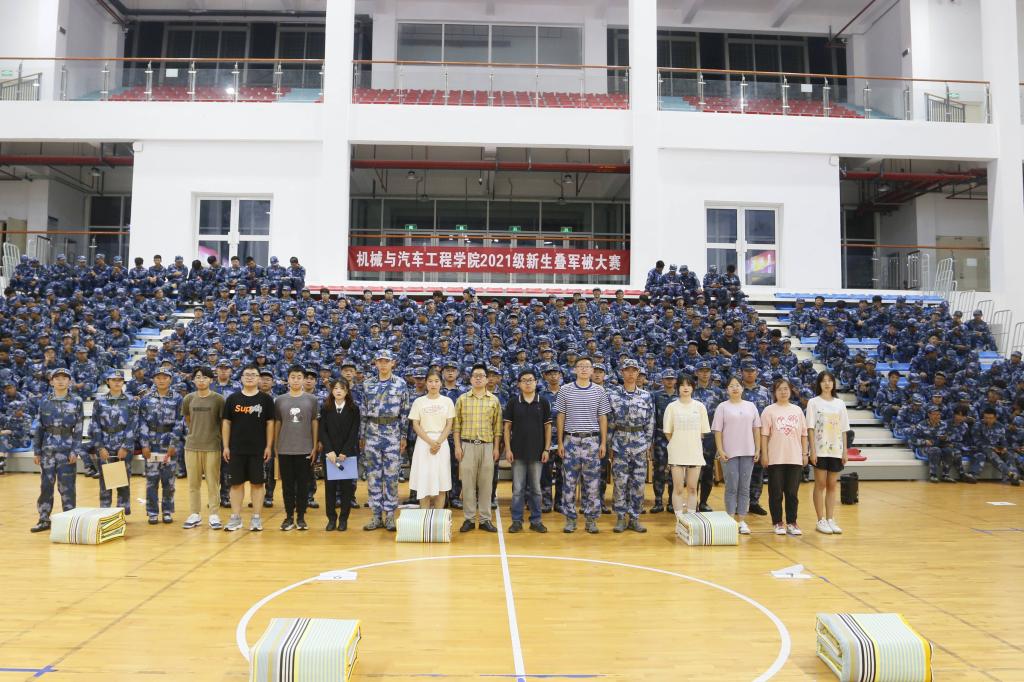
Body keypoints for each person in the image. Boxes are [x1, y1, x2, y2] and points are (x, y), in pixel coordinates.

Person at [555, 356, 611, 534]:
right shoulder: (565, 390)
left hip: (592, 442)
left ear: (592, 370)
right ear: (575, 369)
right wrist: (560, 442)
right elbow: (561, 416)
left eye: (587, 366)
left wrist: (603, 442)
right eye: (581, 366)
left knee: (592, 483)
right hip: (570, 441)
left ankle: (591, 519)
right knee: (569, 483)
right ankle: (570, 519)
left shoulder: (599, 391)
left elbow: (603, 417)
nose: (584, 369)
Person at [221, 365, 275, 532]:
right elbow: (226, 423)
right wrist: (226, 446)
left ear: (258, 378)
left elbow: (270, 423)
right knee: (236, 484)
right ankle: (235, 518)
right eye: (247, 374)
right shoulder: (232, 399)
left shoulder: (266, 400)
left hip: (258, 450)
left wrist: (268, 446)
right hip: (236, 449)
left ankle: (256, 518)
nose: (250, 377)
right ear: (241, 378)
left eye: (253, 374)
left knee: (257, 484)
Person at [31, 368, 85, 533]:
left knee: (67, 487)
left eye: (64, 378)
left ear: (70, 382)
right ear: (51, 381)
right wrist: (37, 451)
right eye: (57, 378)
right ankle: (44, 518)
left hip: (67, 450)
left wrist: (75, 450)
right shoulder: (44, 401)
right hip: (47, 450)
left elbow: (79, 429)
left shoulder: (76, 401)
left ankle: (69, 519)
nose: (61, 381)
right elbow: (39, 427)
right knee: (46, 485)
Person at [361, 349, 410, 532]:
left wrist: (403, 436)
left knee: (391, 476)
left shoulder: (400, 384)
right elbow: (363, 412)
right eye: (380, 361)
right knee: (373, 476)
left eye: (386, 361)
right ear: (375, 363)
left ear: (392, 363)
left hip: (392, 433)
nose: (383, 364)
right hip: (372, 433)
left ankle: (389, 516)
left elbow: (404, 411)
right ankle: (376, 516)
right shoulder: (367, 384)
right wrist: (362, 435)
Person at [453, 363, 503, 533]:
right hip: (467, 446)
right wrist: (458, 446)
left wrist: (496, 448)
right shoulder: (462, 399)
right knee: (467, 484)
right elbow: (456, 426)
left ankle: (484, 519)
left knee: (486, 484)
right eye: (475, 376)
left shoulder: (494, 400)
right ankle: (468, 518)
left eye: (482, 376)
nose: (478, 378)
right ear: (471, 379)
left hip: (487, 446)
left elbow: (497, 428)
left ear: (487, 379)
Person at [607, 359, 654, 533]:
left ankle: (634, 518)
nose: (631, 373)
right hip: (620, 443)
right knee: (620, 482)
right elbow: (609, 422)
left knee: (639, 483)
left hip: (639, 443)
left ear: (638, 373)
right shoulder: (613, 395)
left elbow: (650, 421)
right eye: (627, 370)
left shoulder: (646, 396)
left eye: (634, 370)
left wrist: (647, 444)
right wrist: (609, 445)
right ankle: (620, 517)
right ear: (622, 372)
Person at [503, 369, 552, 533]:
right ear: (519, 384)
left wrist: (546, 449)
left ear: (536, 382)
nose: (528, 383)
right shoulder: (513, 402)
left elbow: (548, 428)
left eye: (531, 380)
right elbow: (507, 427)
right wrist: (508, 449)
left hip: (537, 453)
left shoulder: (543, 402)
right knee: (518, 490)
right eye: (524, 380)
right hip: (517, 452)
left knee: (536, 489)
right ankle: (517, 521)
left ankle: (536, 521)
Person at [712, 376, 761, 535]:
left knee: (744, 487)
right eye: (731, 386)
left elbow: (756, 429)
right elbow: (718, 431)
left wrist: (757, 449)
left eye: (737, 385)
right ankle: (730, 519)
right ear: (727, 389)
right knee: (732, 486)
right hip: (729, 453)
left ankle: (741, 520)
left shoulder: (751, 406)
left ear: (742, 388)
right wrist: (720, 450)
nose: (735, 388)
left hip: (748, 452)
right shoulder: (722, 407)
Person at [760, 379, 809, 536]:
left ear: (790, 391)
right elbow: (764, 435)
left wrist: (805, 453)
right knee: (775, 493)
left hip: (795, 457)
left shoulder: (797, 410)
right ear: (775, 392)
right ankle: (777, 522)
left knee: (792, 493)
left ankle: (792, 522)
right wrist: (764, 454)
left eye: (786, 389)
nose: (783, 392)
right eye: (780, 389)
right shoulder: (769, 411)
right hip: (775, 458)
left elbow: (804, 434)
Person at [274, 365, 320, 531]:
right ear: (288, 379)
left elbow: (314, 422)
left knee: (303, 485)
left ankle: (301, 517)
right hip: (285, 449)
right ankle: (288, 517)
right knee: (287, 485)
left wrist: (314, 446)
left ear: (303, 379)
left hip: (305, 449)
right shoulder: (279, 400)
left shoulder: (312, 399)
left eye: (299, 377)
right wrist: (275, 445)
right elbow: (278, 423)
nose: (295, 380)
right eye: (292, 377)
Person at [806, 370, 851, 535]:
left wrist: (845, 451)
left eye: (830, 380)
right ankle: (820, 520)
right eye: (823, 380)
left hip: (836, 450)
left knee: (832, 485)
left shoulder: (840, 403)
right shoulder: (813, 402)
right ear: (819, 383)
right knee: (820, 484)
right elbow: (810, 428)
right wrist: (812, 450)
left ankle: (830, 518)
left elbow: (844, 429)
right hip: (820, 449)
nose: (827, 383)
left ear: (833, 384)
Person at [663, 374, 711, 521]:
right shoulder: (672, 407)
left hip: (694, 452)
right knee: (678, 488)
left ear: (693, 388)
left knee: (692, 488)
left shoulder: (700, 407)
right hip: (677, 452)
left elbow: (703, 431)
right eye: (682, 385)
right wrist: (678, 442)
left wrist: (691, 442)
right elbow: (668, 432)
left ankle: (691, 520)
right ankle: (679, 520)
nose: (685, 387)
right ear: (677, 388)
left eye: (689, 385)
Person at [138, 367, 183, 525]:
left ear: (170, 379)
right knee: (151, 481)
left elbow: (180, 422)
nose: (161, 380)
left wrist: (173, 443)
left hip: (169, 443)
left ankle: (167, 511)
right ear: (153, 380)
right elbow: (142, 422)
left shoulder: (178, 398)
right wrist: (144, 445)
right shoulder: (146, 399)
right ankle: (152, 512)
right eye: (158, 377)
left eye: (165, 377)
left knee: (168, 481)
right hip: (151, 444)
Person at [182, 366, 225, 529]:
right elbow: (188, 419)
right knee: (193, 483)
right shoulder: (188, 399)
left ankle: (214, 514)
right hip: (192, 446)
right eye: (198, 377)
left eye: (205, 377)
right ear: (193, 380)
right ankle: (195, 514)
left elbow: (223, 423)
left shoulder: (218, 399)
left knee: (213, 483)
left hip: (212, 446)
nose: (201, 380)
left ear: (211, 380)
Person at [89, 369, 137, 516]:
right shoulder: (99, 401)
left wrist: (126, 446)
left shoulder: (131, 400)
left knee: (123, 480)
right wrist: (100, 447)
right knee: (105, 481)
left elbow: (133, 424)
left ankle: (121, 512)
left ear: (123, 382)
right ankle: (105, 512)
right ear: (108, 382)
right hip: (105, 445)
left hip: (123, 445)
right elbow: (95, 424)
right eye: (113, 380)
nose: (117, 382)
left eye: (120, 380)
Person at [408, 369, 456, 510]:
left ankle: (439, 516)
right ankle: (424, 516)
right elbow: (415, 424)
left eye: (436, 381)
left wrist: (438, 442)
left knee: (441, 482)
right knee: (424, 482)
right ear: (426, 383)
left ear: (441, 383)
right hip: (423, 444)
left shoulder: (447, 401)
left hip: (442, 444)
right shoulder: (418, 402)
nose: (433, 384)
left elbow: (449, 425)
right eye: (430, 381)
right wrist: (430, 442)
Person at [319, 379, 361, 531]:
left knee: (346, 489)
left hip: (347, 455)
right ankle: (331, 518)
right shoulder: (325, 408)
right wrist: (329, 450)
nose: (338, 391)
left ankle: (343, 519)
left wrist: (345, 452)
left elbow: (354, 432)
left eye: (342, 388)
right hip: (329, 455)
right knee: (330, 489)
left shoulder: (353, 409)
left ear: (347, 391)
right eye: (335, 388)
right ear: (331, 391)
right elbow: (322, 430)